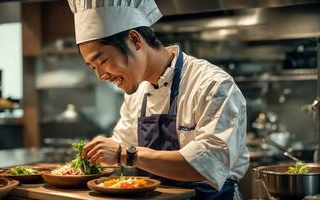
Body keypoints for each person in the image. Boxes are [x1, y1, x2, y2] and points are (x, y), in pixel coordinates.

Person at [67, 0, 249, 199]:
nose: (101, 76)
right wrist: (86, 162)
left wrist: (126, 154)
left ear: (135, 40)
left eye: (102, 61)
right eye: (92, 67)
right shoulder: (136, 94)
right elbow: (120, 145)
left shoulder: (212, 84)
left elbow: (209, 163)